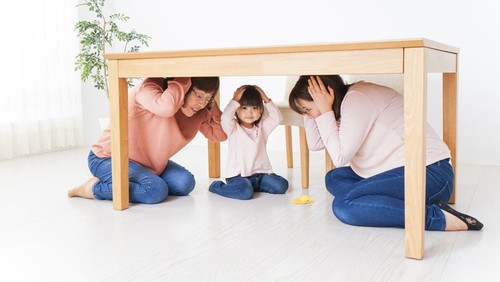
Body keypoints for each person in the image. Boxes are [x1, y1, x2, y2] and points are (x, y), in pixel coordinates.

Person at [288, 75, 483, 231]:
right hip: (394, 172)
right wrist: (310, 111)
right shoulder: (341, 105)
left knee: (344, 205)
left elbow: (340, 157)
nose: (310, 115)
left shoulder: (357, 99)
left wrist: (323, 109)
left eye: (308, 109)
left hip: (429, 174)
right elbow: (315, 144)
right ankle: (379, 201)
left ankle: (435, 217)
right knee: (333, 178)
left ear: (325, 95)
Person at [68, 77, 227, 204]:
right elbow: (166, 108)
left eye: (208, 98)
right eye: (199, 96)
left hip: (148, 165)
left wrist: (212, 106)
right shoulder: (150, 88)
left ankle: (132, 181)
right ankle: (92, 188)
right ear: (185, 86)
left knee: (185, 183)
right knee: (155, 191)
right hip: (108, 158)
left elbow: (220, 135)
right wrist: (182, 79)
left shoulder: (199, 111)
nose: (201, 103)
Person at [209, 85, 289, 200]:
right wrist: (235, 100)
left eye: (254, 108)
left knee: (281, 186)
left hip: (261, 175)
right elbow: (226, 117)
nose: (250, 113)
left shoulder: (263, 127)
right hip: (238, 176)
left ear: (261, 110)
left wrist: (265, 98)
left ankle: (252, 187)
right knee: (245, 193)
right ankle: (217, 186)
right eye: (244, 108)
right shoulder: (233, 128)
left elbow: (277, 118)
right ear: (237, 109)